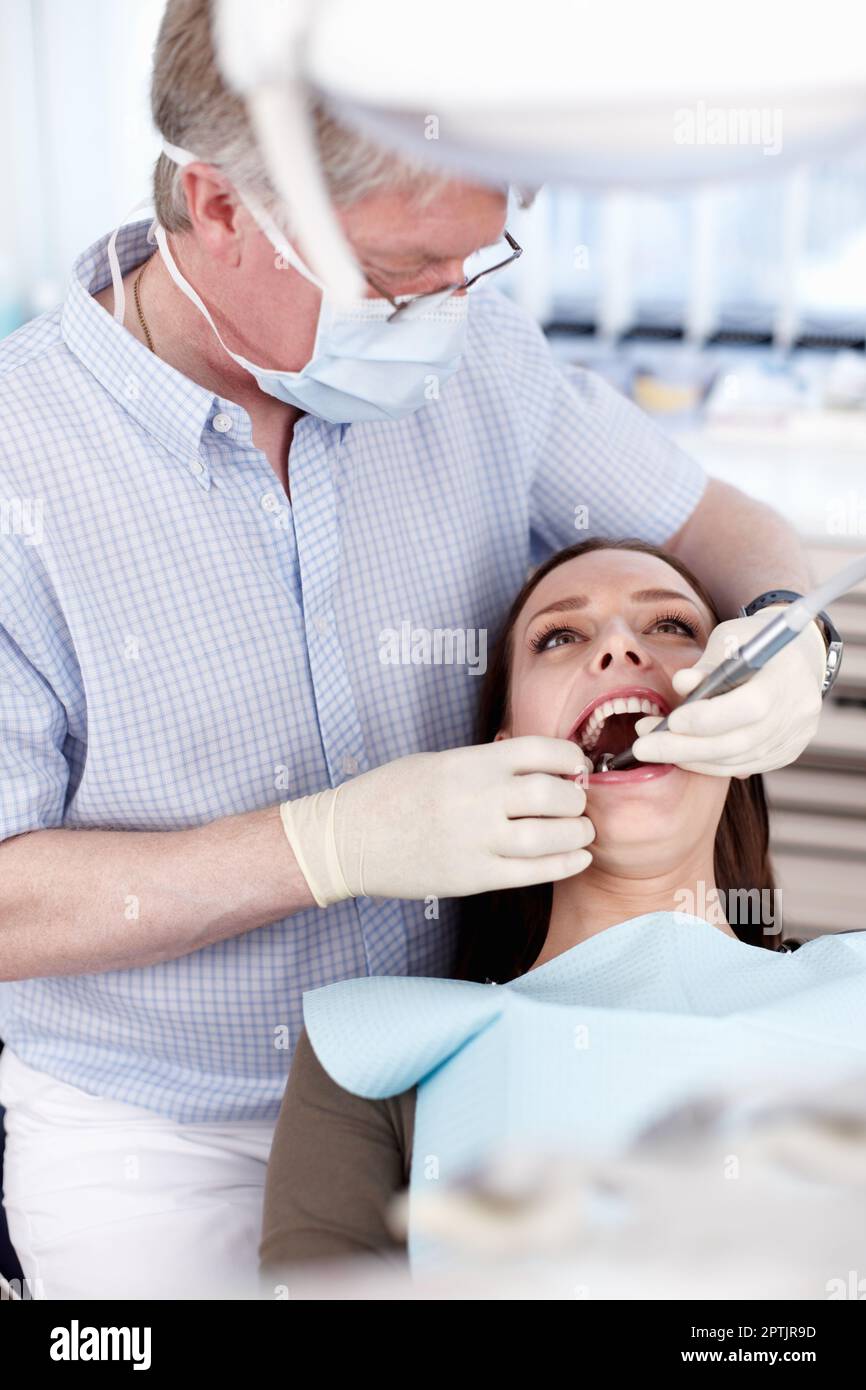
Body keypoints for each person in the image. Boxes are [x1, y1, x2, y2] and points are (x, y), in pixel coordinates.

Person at [0, 0, 830, 1299]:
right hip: (169, 1124)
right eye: (398, 277)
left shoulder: (475, 351)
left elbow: (727, 534)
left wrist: (788, 628)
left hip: (464, 1043)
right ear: (220, 206)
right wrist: (324, 846)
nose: (444, 309)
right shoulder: (19, 469)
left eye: (475, 262)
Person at [258, 538, 864, 1279]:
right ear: (507, 750)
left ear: (748, 723)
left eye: (671, 627)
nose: (618, 646)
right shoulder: (371, 1046)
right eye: (560, 636)